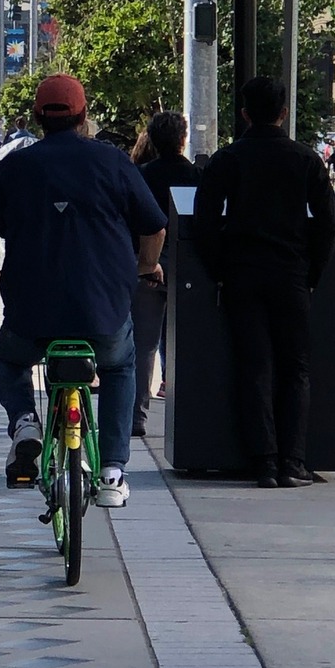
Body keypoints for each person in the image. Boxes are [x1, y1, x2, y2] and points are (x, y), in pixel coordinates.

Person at [0, 74, 166, 507]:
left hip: (31, 314)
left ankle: (24, 423)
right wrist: (145, 267)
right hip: (104, 313)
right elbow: (154, 225)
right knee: (120, 367)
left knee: (7, 359)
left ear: (37, 117)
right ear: (83, 115)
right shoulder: (113, 163)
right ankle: (112, 470)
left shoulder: (14, 167)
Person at [193, 77, 335, 489]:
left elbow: (204, 220)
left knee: (254, 367)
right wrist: (312, 273)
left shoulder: (227, 159)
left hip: (241, 274)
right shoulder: (306, 160)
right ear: (284, 112)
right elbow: (327, 222)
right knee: (295, 369)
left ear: (244, 114)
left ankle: (264, 462)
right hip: (291, 274)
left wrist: (218, 268)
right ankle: (294, 461)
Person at [130, 111, 201, 437]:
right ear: (183, 140)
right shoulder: (198, 177)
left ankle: (137, 417)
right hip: (187, 269)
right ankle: (187, 413)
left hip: (147, 267)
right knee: (184, 342)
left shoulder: (140, 176)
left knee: (143, 344)